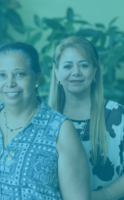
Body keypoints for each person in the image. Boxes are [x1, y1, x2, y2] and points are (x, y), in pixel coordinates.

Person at [0, 42, 91, 200]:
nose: (10, 83)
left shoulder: (60, 129)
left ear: (36, 77)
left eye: (20, 74)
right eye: (1, 75)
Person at [49, 36, 124, 200]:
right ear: (57, 72)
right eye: (68, 66)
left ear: (95, 70)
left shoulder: (119, 116)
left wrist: (102, 195)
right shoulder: (44, 120)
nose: (76, 72)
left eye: (83, 65)